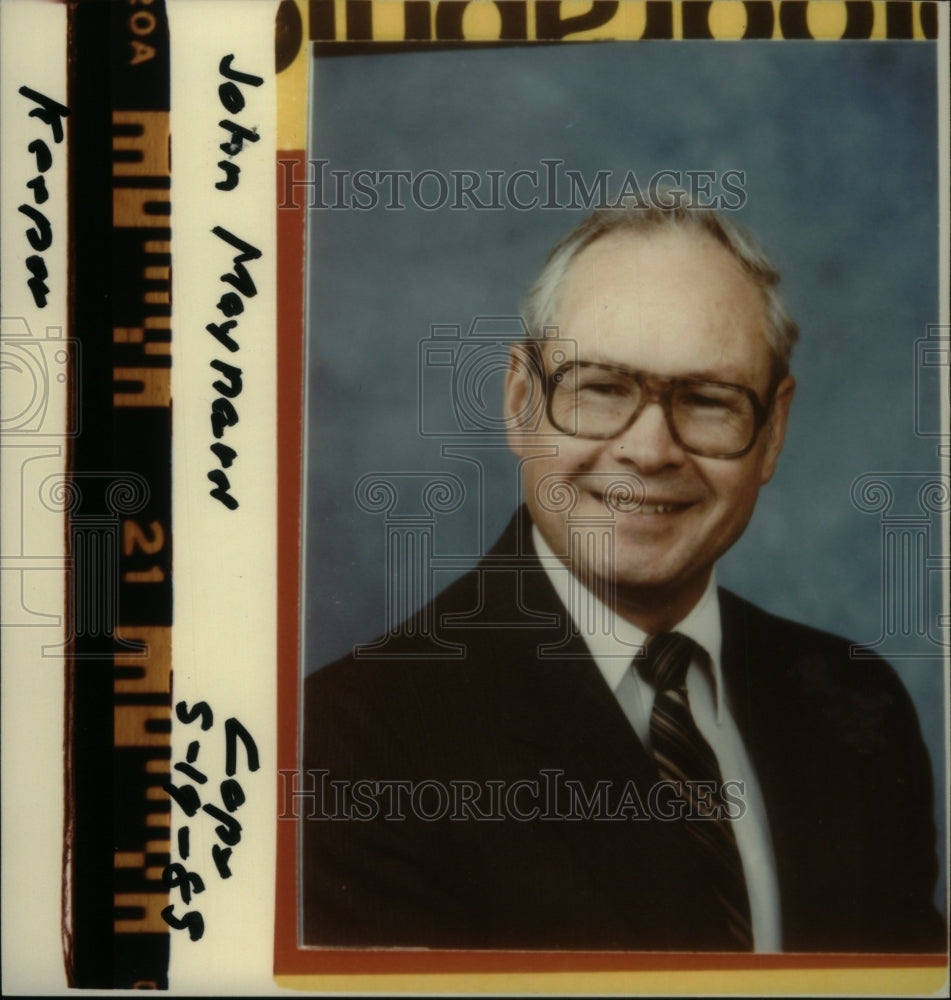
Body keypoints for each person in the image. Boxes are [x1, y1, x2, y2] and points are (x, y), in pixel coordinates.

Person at [301, 200, 945, 953]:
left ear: (771, 433)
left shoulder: (856, 704)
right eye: (601, 387)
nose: (649, 450)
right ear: (519, 403)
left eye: (707, 400)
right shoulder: (352, 742)